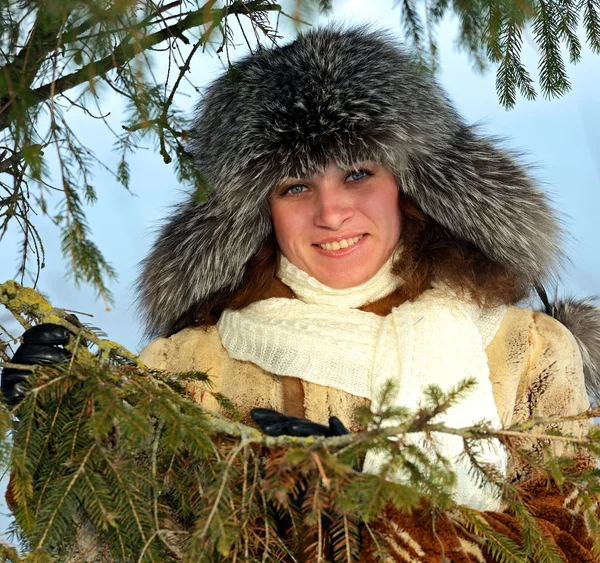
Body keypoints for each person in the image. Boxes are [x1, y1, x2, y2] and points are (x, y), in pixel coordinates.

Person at [4, 26, 600, 561]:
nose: (332, 212)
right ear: (257, 212)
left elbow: (574, 541)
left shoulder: (527, 352)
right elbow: (108, 547)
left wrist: (369, 497)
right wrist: (59, 434)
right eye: (295, 186)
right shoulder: (191, 365)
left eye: (358, 173)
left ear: (409, 184)